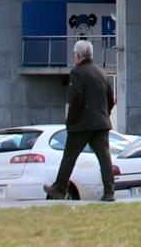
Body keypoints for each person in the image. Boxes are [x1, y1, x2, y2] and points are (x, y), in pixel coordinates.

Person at [44, 39, 116, 202]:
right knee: (104, 158)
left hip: (81, 124)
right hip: (101, 123)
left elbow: (76, 98)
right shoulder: (101, 73)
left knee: (69, 157)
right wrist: (105, 113)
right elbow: (110, 99)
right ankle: (109, 192)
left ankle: (60, 189)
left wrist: (71, 121)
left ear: (77, 56)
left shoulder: (76, 73)